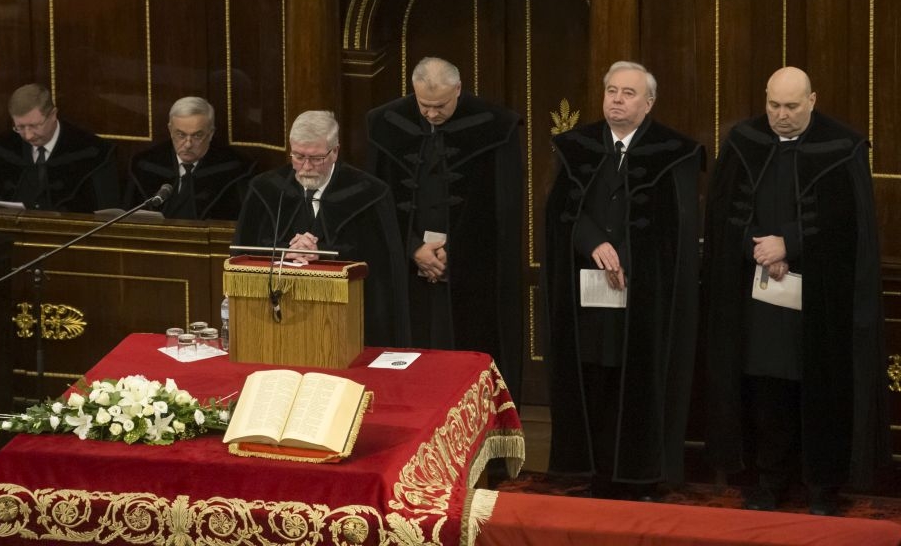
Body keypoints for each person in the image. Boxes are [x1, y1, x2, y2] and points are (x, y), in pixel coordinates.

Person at [703, 66, 886, 516]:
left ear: (812, 100)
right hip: (761, 296)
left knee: (820, 388)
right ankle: (769, 480)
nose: (781, 115)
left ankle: (823, 486)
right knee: (767, 388)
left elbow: (850, 228)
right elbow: (724, 216)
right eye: (773, 105)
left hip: (821, 299)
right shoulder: (743, 142)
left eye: (791, 106)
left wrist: (791, 243)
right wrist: (760, 249)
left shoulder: (842, 147)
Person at [543, 61, 702, 499]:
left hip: (643, 296)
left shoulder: (675, 152)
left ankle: (639, 477)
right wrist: (592, 241)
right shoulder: (576, 147)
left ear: (649, 103)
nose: (616, 99)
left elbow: (676, 227)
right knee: (594, 376)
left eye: (628, 93)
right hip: (588, 296)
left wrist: (627, 258)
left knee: (633, 383)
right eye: (611, 91)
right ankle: (595, 472)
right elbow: (560, 213)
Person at [366, 56, 524, 399]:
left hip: (471, 273)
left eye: (440, 106)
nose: (431, 114)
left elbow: (504, 212)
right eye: (424, 105)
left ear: (458, 90)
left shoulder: (496, 127)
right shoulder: (386, 124)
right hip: (408, 271)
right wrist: (413, 249)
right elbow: (377, 205)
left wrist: (454, 254)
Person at [234, 110, 410, 347]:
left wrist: (322, 253)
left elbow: (382, 268)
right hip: (277, 321)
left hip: (347, 324)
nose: (306, 166)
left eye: (317, 158)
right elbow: (243, 253)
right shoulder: (265, 189)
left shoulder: (370, 193)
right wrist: (287, 251)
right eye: (298, 156)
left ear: (335, 151)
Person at [0, 83, 119, 213]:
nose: (28, 136)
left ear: (53, 115)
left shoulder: (93, 152)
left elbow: (106, 216)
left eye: (34, 126)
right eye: (20, 127)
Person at [126, 96, 254, 219]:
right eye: (181, 135)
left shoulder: (234, 170)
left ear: (211, 134)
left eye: (197, 136)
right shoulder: (145, 165)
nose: (188, 144)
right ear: (170, 130)